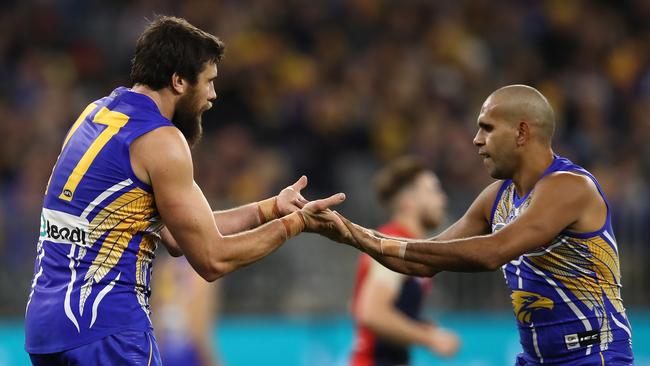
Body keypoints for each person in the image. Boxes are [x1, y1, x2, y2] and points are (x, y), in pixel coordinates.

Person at [24, 16, 345, 365]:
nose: (212, 95)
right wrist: (295, 225)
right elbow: (211, 258)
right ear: (178, 81)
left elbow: (178, 238)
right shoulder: (161, 139)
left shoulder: (94, 114)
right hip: (108, 328)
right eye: (208, 81)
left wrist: (269, 209)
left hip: (46, 329)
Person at [327, 85, 634, 365]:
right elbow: (425, 260)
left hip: (596, 356)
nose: (476, 139)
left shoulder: (569, 186)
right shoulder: (497, 197)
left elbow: (494, 252)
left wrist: (376, 242)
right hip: (535, 359)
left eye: (487, 128)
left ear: (521, 133)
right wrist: (346, 231)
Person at [350, 156, 459, 365]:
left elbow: (357, 305)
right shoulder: (395, 246)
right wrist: (431, 338)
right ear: (408, 201)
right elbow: (371, 312)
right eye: (433, 191)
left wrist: (418, 326)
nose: (442, 200)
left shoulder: (400, 245)